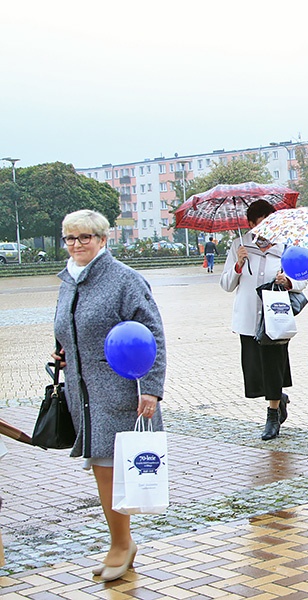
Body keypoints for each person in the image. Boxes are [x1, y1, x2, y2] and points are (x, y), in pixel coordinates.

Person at [52, 209, 166, 581]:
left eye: (85, 237)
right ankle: (121, 541)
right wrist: (63, 352)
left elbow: (153, 334)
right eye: (70, 238)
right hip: (83, 391)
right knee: (103, 470)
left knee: (109, 470)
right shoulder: (69, 281)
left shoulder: (124, 280)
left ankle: (121, 543)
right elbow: (71, 327)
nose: (76, 245)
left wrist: (151, 389)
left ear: (103, 240)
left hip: (122, 391)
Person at [220, 200, 306, 441]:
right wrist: (238, 264)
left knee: (273, 365)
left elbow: (301, 279)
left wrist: (287, 281)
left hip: (276, 317)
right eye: (261, 224)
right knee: (256, 372)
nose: (267, 230)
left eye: (270, 223)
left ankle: (272, 415)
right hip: (248, 318)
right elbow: (226, 284)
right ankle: (279, 399)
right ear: (250, 224)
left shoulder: (285, 247)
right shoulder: (240, 245)